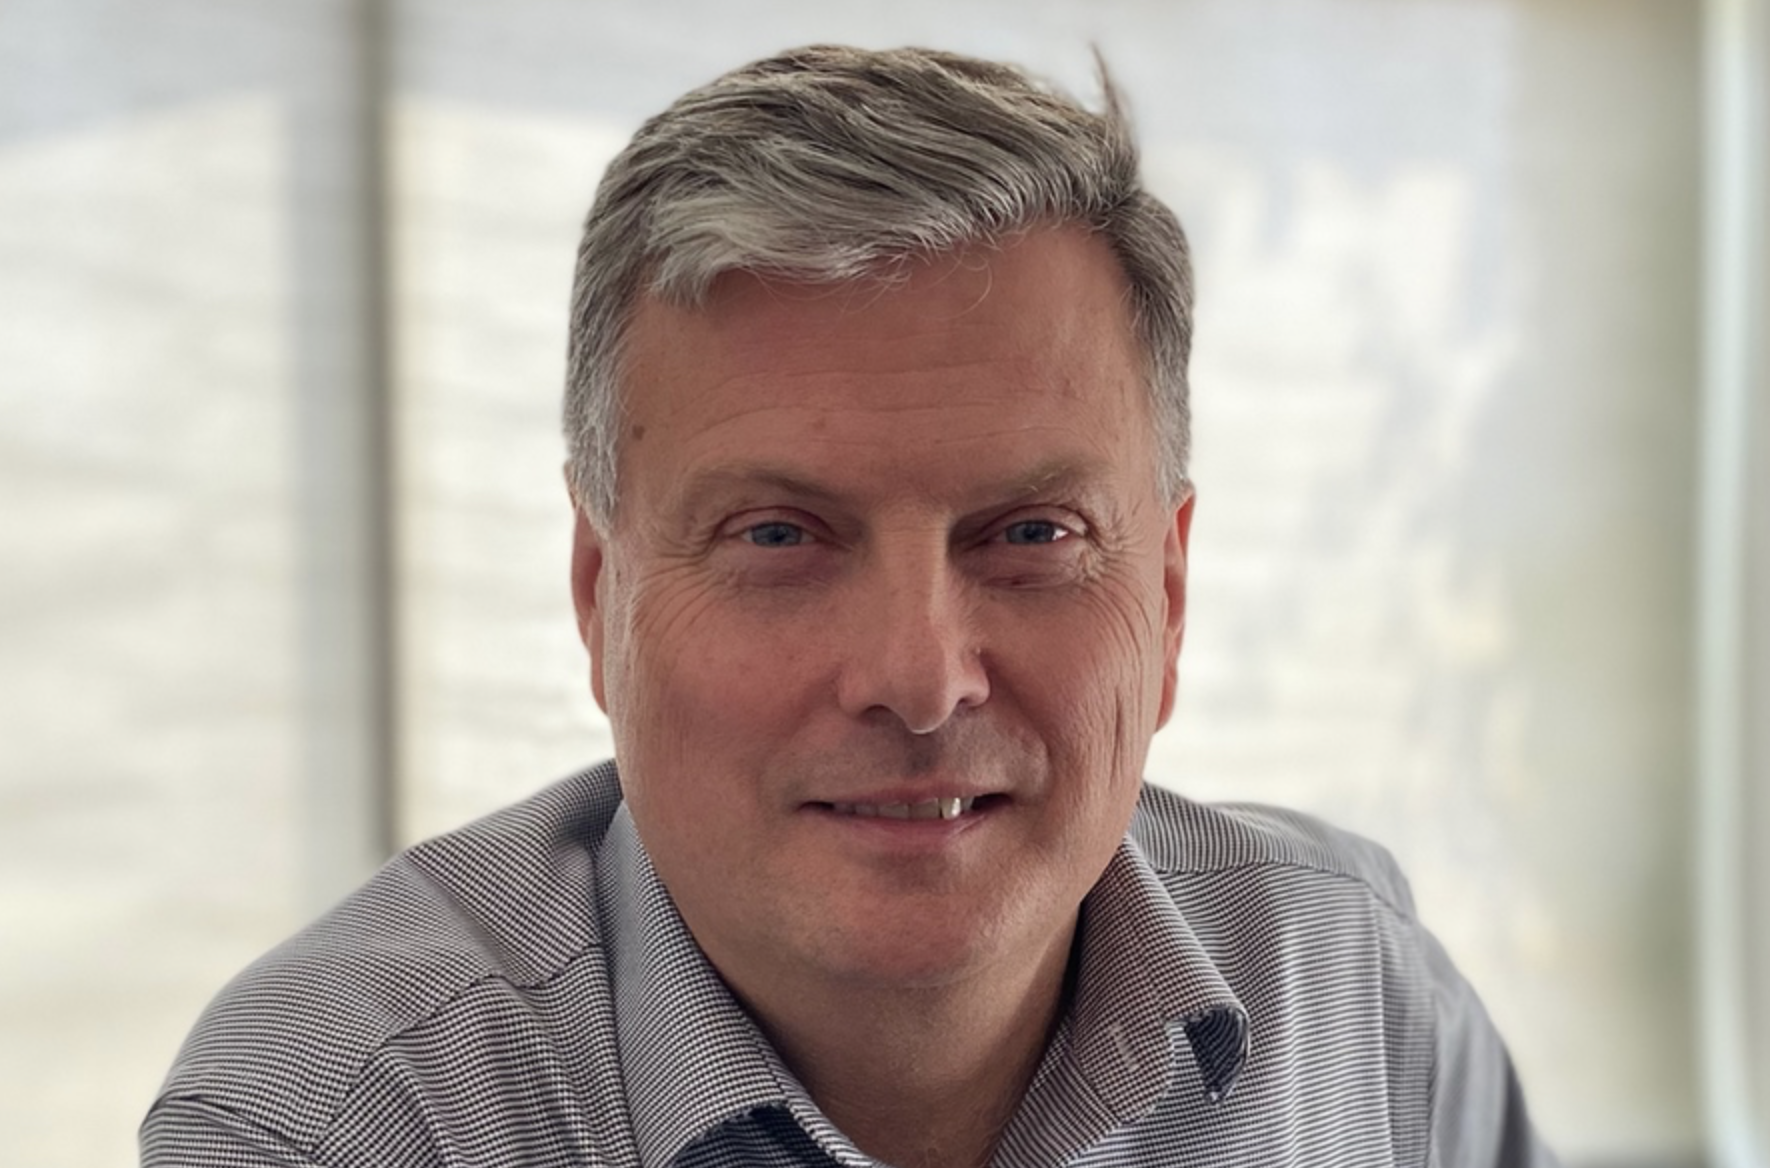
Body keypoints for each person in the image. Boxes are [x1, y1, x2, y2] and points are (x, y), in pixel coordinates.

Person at [143, 44, 1557, 1168]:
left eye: (1031, 534)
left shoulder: (1357, 996)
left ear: (1169, 596)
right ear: (597, 594)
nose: (920, 677)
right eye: (777, 536)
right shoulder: (337, 1122)